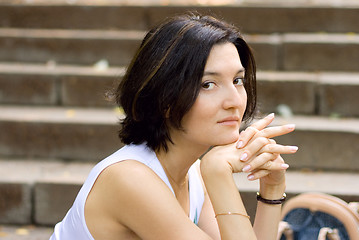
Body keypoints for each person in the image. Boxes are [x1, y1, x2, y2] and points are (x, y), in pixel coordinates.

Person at [50, 13, 298, 240]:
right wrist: (217, 174)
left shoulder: (194, 173)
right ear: (165, 99)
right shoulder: (129, 179)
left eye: (237, 80)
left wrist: (272, 188)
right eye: (208, 84)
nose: (234, 101)